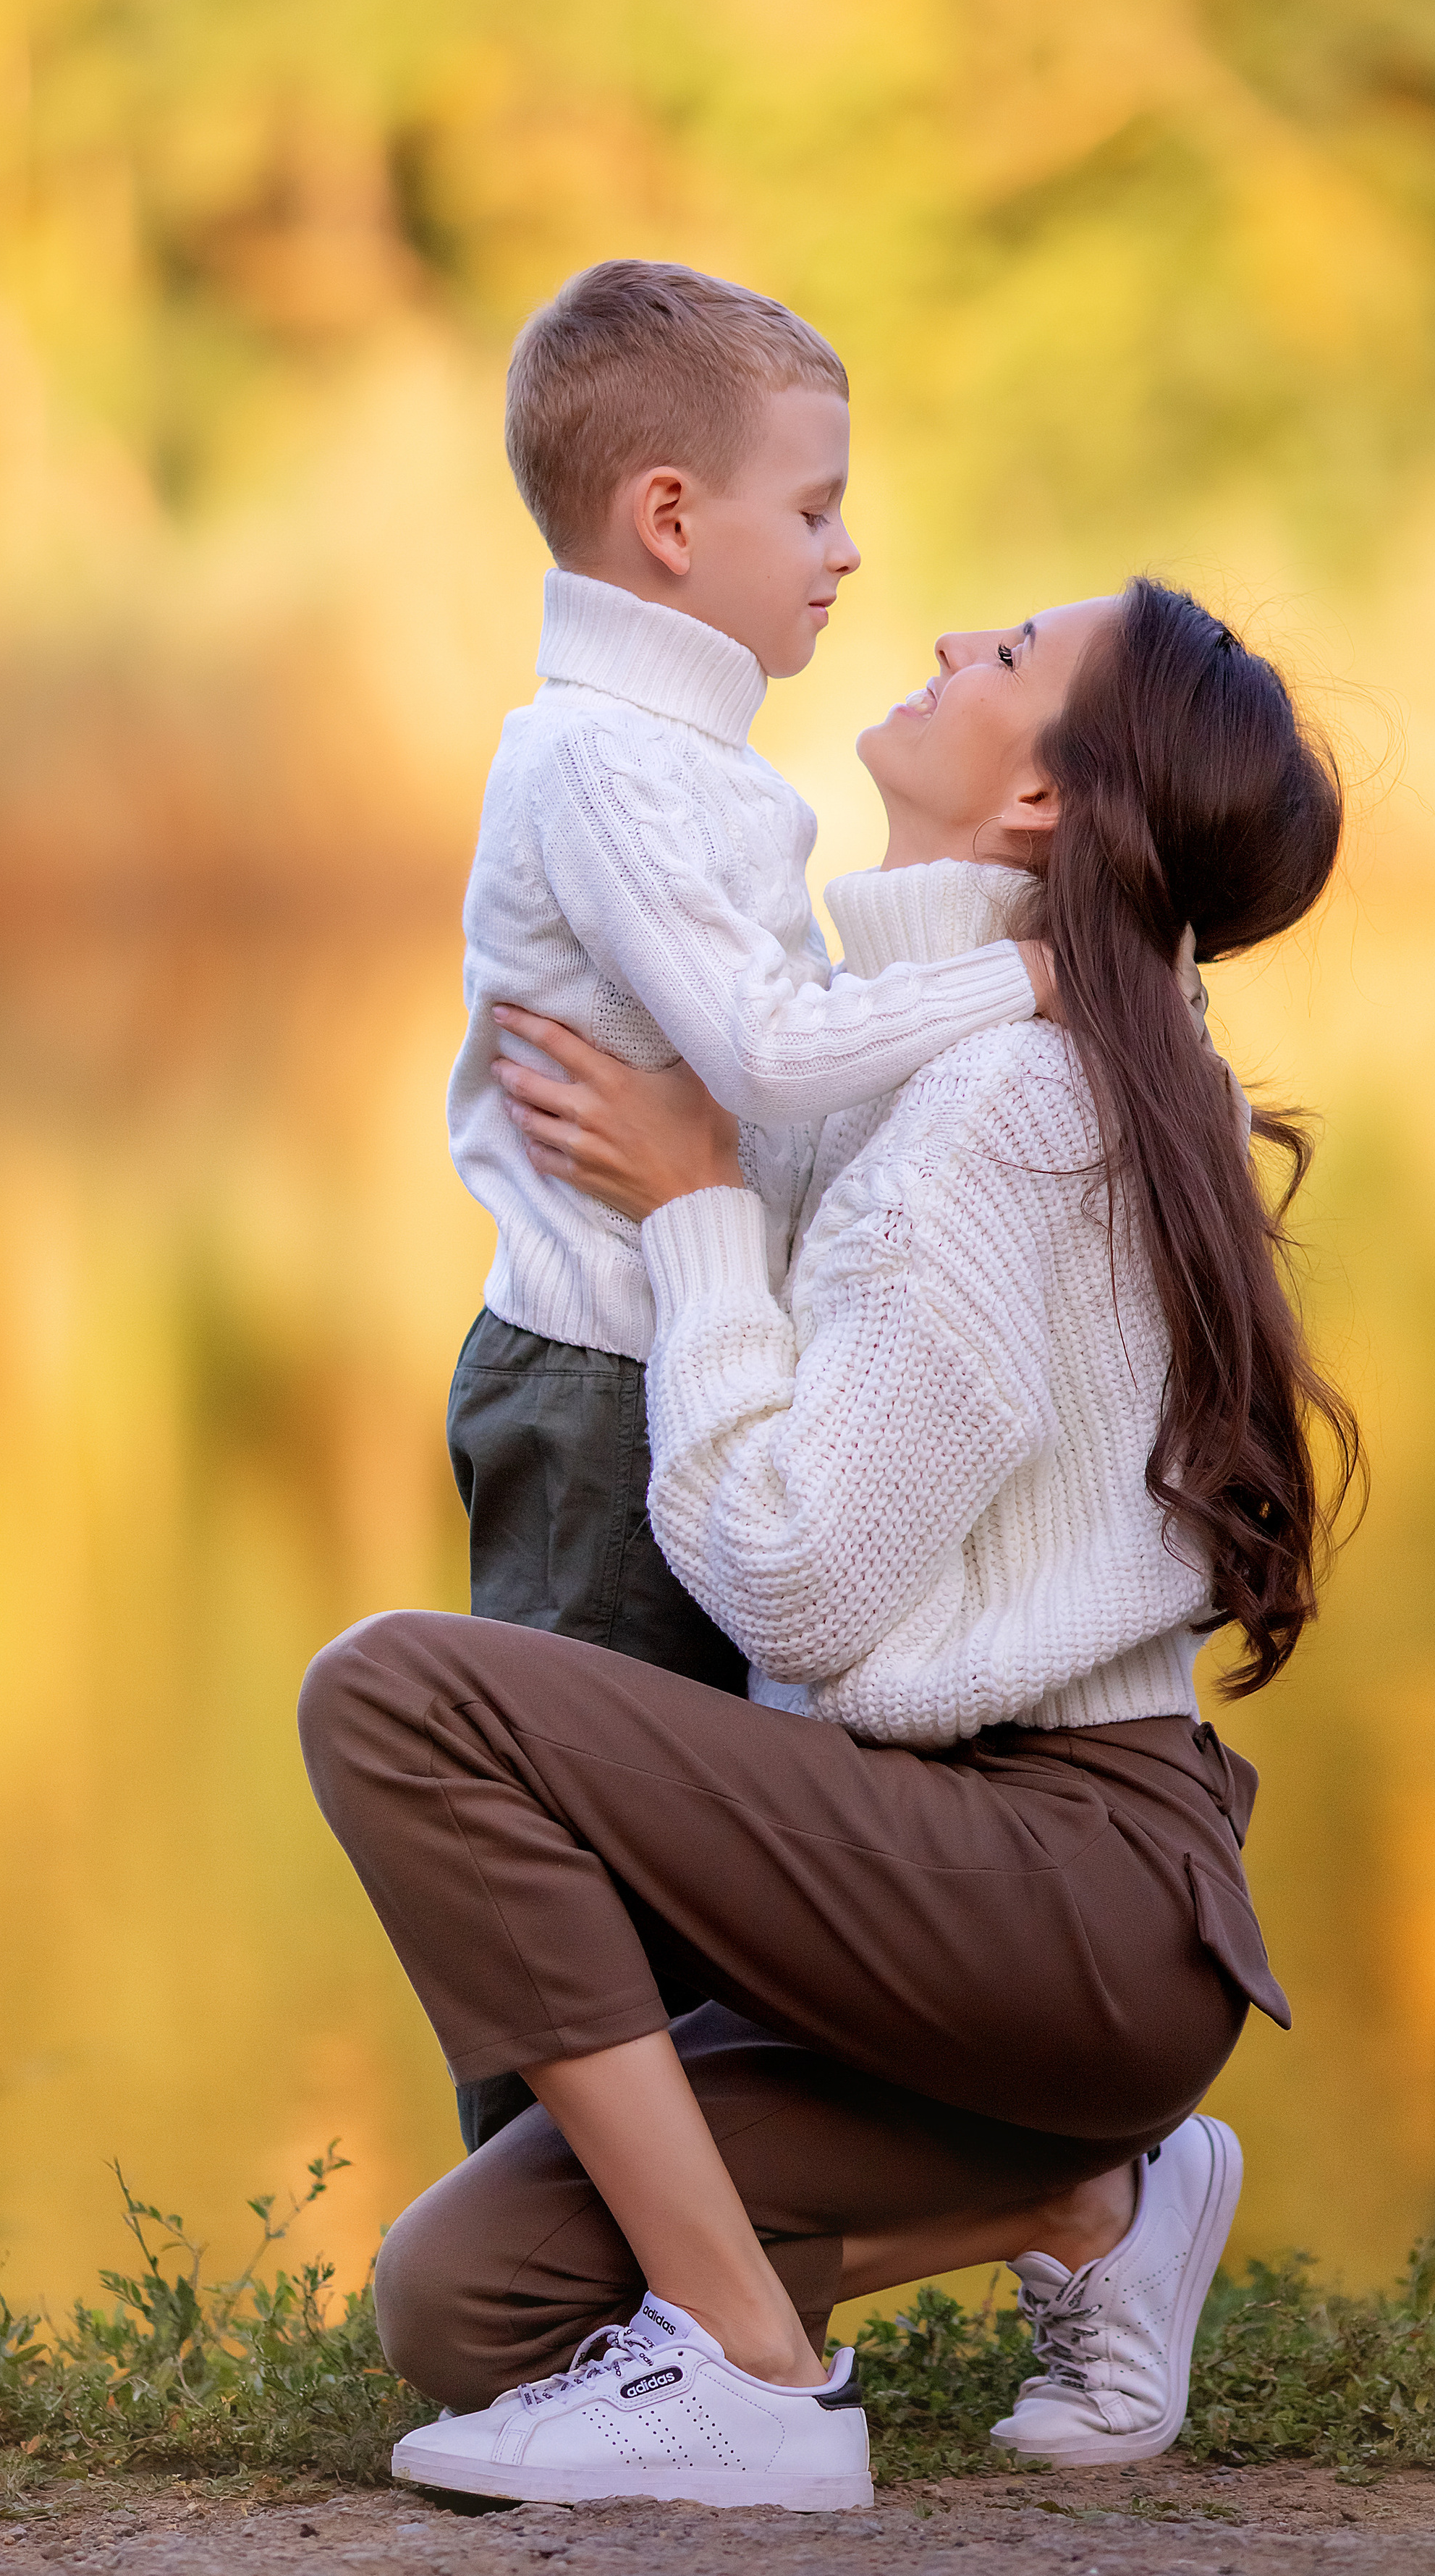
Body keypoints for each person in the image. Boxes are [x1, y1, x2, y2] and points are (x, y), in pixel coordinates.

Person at [299, 579, 1358, 2510]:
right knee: (470, 2304)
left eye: (1012, 657)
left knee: (400, 1702)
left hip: (1056, 1886)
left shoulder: (998, 1111)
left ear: (1042, 805)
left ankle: (750, 2374)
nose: (954, 639)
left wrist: (701, 1207)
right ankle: (1081, 2192)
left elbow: (807, 1593)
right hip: (977, 1909)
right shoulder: (986, 1058)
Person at [445, 258, 1054, 2144]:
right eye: (815, 505)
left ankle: (702, 2289)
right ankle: (547, 2291)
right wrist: (1035, 979)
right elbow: (772, 1051)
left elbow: (764, 1101)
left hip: (681, 1376)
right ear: (670, 519)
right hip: (599, 1390)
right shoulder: (602, 763)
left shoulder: (686, 760)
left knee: (707, 1863)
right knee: (567, 1871)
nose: (852, 552)